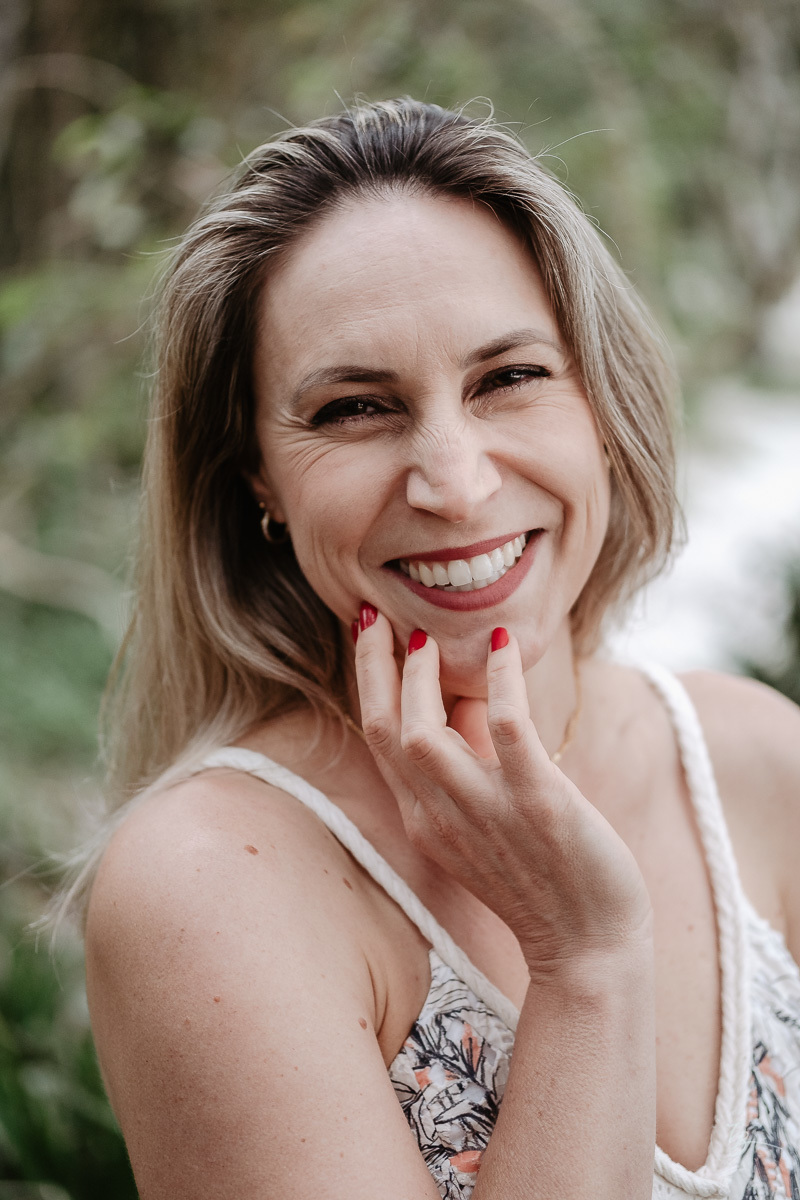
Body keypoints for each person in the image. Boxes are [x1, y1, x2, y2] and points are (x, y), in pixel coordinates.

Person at [77, 99, 800, 1200]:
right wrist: (583, 961)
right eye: (356, 407)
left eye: (507, 378)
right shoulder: (210, 883)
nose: (454, 484)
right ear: (257, 481)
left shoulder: (759, 760)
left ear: (600, 404)